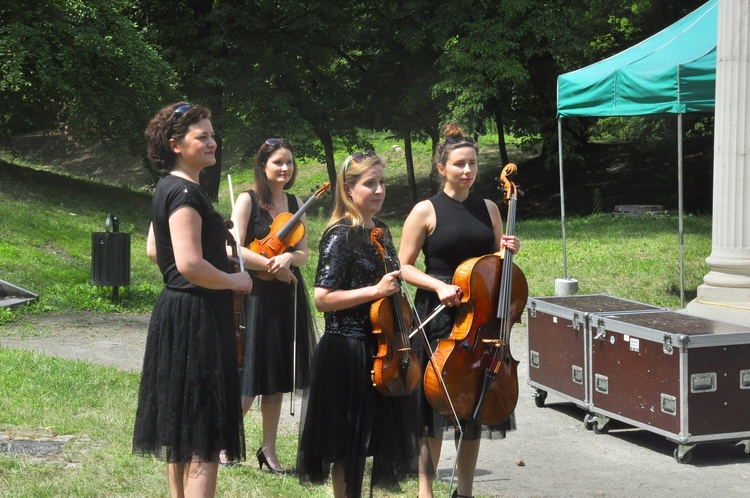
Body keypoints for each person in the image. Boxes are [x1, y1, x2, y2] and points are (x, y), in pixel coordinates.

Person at [133, 102, 252, 498]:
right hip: (198, 314)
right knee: (203, 428)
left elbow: (155, 250)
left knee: (181, 420)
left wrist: (208, 257)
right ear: (175, 144)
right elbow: (189, 264)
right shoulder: (186, 192)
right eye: (202, 136)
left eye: (212, 134)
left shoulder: (168, 186)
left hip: (177, 311)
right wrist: (234, 280)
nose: (212, 142)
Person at [398, 123, 521, 498]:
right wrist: (438, 286)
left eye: (472, 164)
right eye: (459, 165)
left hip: (481, 323)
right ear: (442, 168)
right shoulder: (425, 210)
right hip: (440, 319)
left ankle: (464, 491)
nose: (467, 171)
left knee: (475, 407)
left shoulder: (487, 208)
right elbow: (403, 265)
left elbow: (496, 264)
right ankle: (426, 490)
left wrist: (510, 250)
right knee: (434, 412)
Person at [297, 152, 420, 498]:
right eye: (370, 183)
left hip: (383, 350)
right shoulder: (340, 236)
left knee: (373, 442)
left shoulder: (380, 232)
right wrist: (374, 291)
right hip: (347, 351)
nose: (379, 190)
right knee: (347, 447)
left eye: (382, 182)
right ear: (349, 189)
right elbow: (322, 298)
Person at [229, 137, 317, 473]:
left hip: (287, 293)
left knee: (278, 374)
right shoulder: (247, 200)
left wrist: (288, 258)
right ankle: (223, 438)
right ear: (263, 165)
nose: (285, 168)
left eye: (289, 163)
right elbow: (232, 249)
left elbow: (304, 253)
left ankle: (268, 450)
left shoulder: (295, 202)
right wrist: (270, 266)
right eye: (278, 162)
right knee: (253, 372)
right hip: (257, 294)